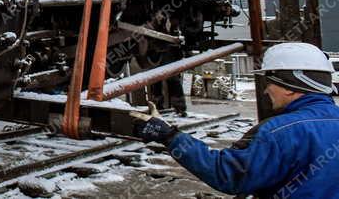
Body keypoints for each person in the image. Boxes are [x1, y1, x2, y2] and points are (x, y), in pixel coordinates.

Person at [132, 42, 339, 198]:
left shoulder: (277, 132)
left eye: (270, 82)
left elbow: (228, 174)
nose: (266, 90)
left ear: (290, 86)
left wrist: (169, 135)